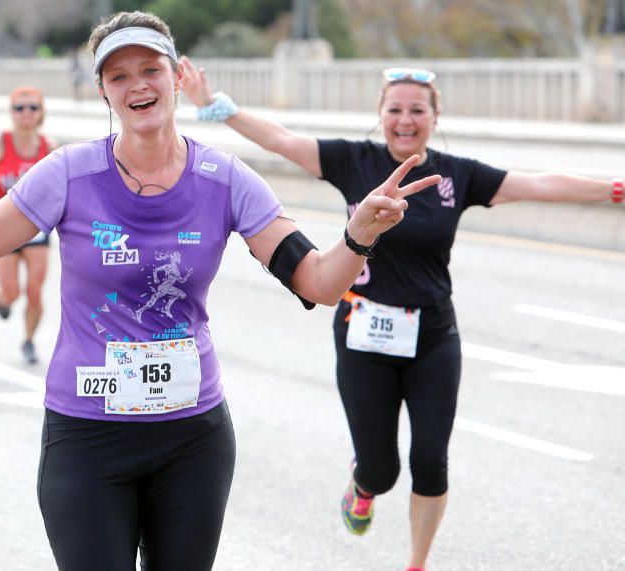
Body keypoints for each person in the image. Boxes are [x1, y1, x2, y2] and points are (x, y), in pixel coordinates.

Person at [0, 10, 441, 571]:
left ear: (177, 78)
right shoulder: (67, 173)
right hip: (88, 437)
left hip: (191, 440)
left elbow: (319, 282)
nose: (137, 85)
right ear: (104, 92)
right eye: (118, 76)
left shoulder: (226, 180)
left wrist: (358, 236)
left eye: (150, 69)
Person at [180, 59, 622, 571]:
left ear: (436, 115)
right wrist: (215, 105)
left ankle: (417, 562)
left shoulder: (456, 175)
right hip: (364, 334)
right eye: (395, 109)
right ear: (380, 113)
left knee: (431, 461)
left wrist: (614, 188)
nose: (405, 120)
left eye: (418, 110)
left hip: (433, 335)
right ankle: (363, 484)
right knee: (382, 469)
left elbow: (540, 185)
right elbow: (280, 140)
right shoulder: (353, 161)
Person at [0, 86, 56, 364]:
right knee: (13, 291)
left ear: (41, 112)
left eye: (32, 107)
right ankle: (3, 299)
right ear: (11, 112)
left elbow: (63, 187)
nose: (26, 113)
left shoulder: (49, 148)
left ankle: (29, 340)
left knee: (35, 289)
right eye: (20, 108)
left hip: (37, 228)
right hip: (5, 227)